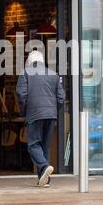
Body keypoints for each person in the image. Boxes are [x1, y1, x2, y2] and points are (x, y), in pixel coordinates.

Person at [16, 50, 65, 187]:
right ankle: (44, 180)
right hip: (51, 114)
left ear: (29, 62)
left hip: (34, 113)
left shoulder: (26, 73)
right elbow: (61, 98)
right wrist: (53, 110)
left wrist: (24, 111)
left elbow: (21, 94)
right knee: (44, 147)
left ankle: (44, 166)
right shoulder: (53, 74)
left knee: (33, 145)